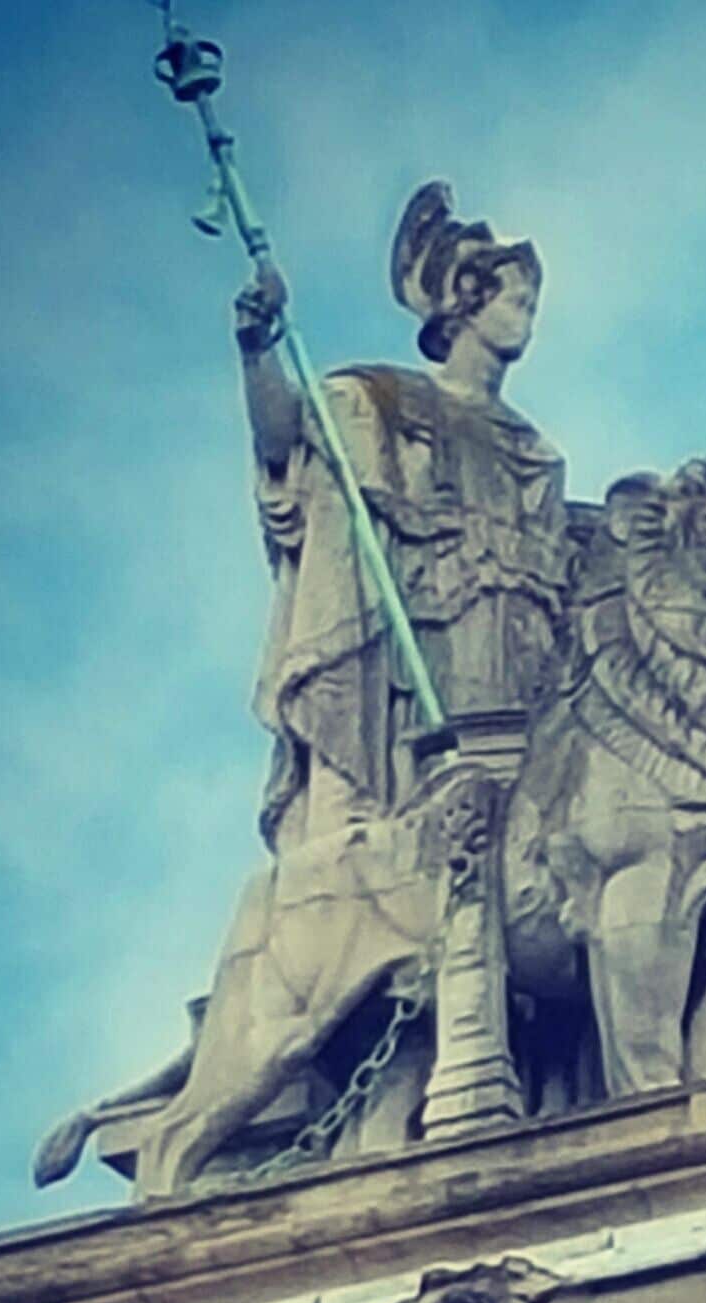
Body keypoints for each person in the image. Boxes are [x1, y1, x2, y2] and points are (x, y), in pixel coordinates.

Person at [235, 182, 569, 849]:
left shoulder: (533, 450)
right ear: (467, 303)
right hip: (418, 645)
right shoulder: (379, 400)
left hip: (516, 653)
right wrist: (257, 349)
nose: (528, 319)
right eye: (517, 302)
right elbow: (285, 446)